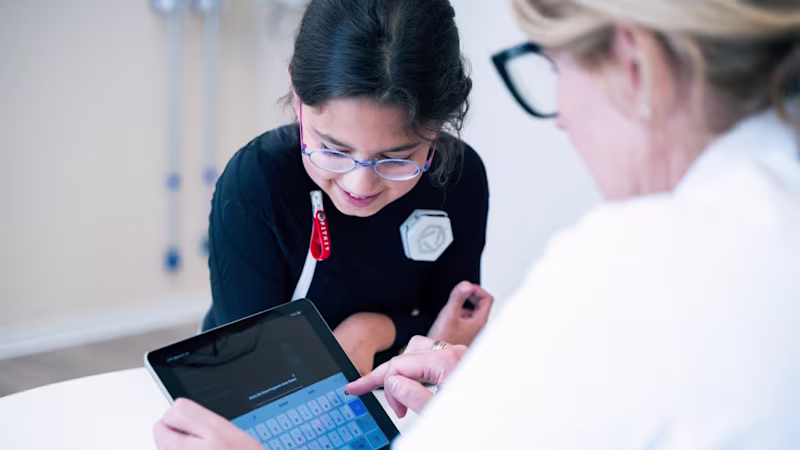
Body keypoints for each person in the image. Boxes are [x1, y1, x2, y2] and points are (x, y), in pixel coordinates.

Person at [155, 0, 800, 448]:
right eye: (335, 148)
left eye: (554, 70)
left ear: (635, 65)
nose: (562, 118)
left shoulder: (626, 263)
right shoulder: (768, 220)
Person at [201, 0, 493, 376]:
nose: (360, 184)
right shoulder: (257, 182)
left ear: (437, 128)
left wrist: (369, 332)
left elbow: (453, 328)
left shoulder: (457, 178)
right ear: (297, 97)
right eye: (333, 150)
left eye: (396, 158)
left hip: (399, 388)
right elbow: (249, 362)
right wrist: (402, 337)